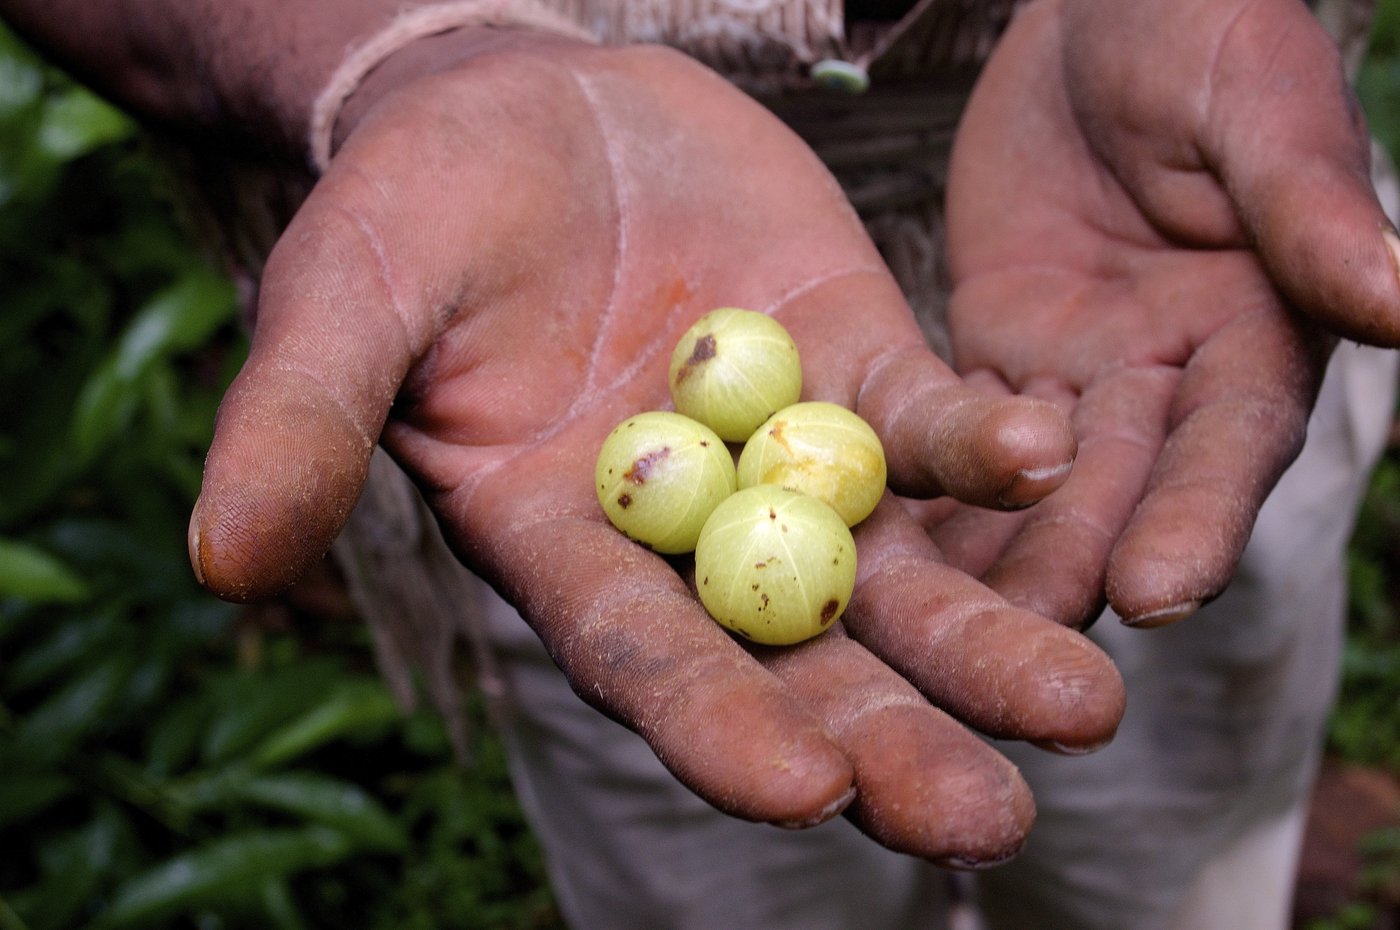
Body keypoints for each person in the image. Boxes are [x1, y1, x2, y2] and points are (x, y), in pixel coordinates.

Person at [1, 0, 1396, 926]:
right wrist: (399, 54)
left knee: (1177, 770)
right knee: (722, 849)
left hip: (1124, 267)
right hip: (551, 300)